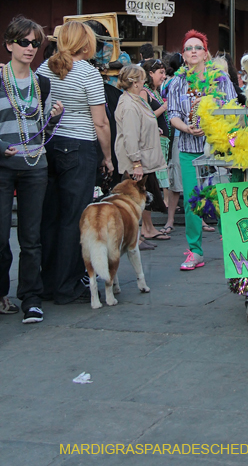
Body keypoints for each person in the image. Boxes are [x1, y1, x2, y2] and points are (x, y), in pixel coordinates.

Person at [37, 21, 113, 304]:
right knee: (73, 218)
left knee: (50, 216)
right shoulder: (88, 73)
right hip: (79, 147)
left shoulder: (44, 68)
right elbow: (100, 122)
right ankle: (66, 284)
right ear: (86, 44)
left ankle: (46, 281)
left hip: (50, 145)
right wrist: (107, 157)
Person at [0, 17, 63, 323]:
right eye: (23, 42)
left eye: (35, 43)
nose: (30, 49)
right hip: (3, 165)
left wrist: (54, 117)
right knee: (1, 237)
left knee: (31, 236)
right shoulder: (0, 79)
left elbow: (42, 130)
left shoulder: (42, 82)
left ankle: (31, 298)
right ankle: (2, 294)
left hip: (35, 164)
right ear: (9, 44)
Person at [167, 30, 237, 270]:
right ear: (184, 56)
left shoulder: (220, 79)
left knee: (222, 199)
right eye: (188, 48)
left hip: (217, 149)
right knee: (192, 202)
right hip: (188, 149)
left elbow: (232, 108)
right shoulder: (177, 81)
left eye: (198, 47)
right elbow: (172, 114)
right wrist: (186, 127)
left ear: (206, 54)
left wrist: (212, 110)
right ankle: (195, 251)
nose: (193, 51)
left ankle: (234, 247)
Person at [114, 64, 168, 250]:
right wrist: (136, 163)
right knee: (133, 202)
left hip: (142, 160)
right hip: (136, 162)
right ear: (135, 82)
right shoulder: (129, 105)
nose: (144, 81)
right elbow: (130, 135)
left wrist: (154, 129)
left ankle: (138, 236)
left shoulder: (135, 100)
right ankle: (133, 239)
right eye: (142, 78)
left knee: (139, 200)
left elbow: (142, 124)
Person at [140, 58, 179, 235]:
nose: (164, 76)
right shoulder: (144, 92)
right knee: (152, 181)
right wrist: (164, 107)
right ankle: (147, 226)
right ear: (150, 74)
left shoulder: (157, 91)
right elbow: (145, 116)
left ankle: (151, 226)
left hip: (163, 141)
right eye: (160, 73)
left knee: (158, 180)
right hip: (153, 143)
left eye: (164, 72)